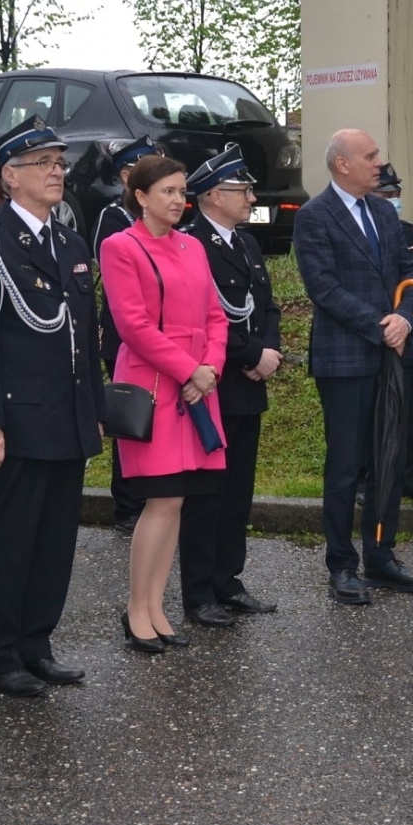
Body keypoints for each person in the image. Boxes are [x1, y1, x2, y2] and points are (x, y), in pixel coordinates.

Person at [0, 117, 103, 696]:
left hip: (65, 418)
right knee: (9, 542)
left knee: (55, 540)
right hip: (15, 420)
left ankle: (37, 644)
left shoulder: (68, 240)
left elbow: (86, 336)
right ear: (10, 177)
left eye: (60, 163)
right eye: (44, 163)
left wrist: (94, 409)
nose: (58, 171)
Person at [293, 129, 413, 604]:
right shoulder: (314, 217)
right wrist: (380, 324)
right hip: (346, 359)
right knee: (346, 466)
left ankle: (382, 555)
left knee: (388, 458)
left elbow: (409, 274)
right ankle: (342, 564)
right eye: (369, 156)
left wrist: (407, 319)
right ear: (342, 164)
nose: (378, 163)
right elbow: (323, 288)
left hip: (393, 352)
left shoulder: (383, 213)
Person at [100, 155, 228, 649]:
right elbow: (132, 325)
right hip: (156, 386)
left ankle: (156, 605)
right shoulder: (120, 246)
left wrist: (211, 369)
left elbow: (215, 315)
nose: (179, 201)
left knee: (176, 501)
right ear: (141, 196)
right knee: (160, 500)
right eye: (169, 192)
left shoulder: (193, 247)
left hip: (198, 387)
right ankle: (137, 608)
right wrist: (188, 369)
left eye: (182, 192)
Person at [177, 145, 280, 628]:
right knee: (206, 495)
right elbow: (201, 316)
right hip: (212, 382)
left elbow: (268, 307)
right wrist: (250, 354)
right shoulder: (191, 243)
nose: (251, 197)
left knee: (237, 492)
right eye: (243, 190)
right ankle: (199, 593)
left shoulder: (246, 243)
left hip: (248, 384)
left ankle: (228, 581)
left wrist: (269, 353)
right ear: (214, 195)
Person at [96, 135, 161, 535]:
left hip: (159, 338)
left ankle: (152, 495)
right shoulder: (114, 219)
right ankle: (126, 505)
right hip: (123, 336)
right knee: (130, 415)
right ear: (127, 176)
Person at [372, 163, 413, 508]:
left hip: (408, 334)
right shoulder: (364, 229)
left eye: (396, 195)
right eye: (385, 195)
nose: (392, 200)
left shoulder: (409, 232)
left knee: (410, 413)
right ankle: (372, 482)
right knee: (373, 414)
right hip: (376, 334)